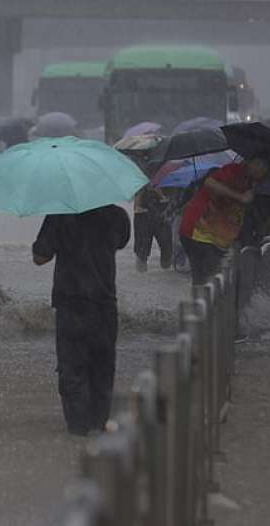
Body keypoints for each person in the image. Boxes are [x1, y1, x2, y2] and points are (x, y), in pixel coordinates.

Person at [32, 205, 131, 436]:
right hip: (105, 303)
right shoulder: (117, 215)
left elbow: (40, 257)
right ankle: (99, 425)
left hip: (71, 304)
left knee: (72, 368)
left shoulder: (60, 214)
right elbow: (121, 242)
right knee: (103, 368)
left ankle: (78, 430)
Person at [179, 158, 270, 285]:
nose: (263, 170)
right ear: (251, 163)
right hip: (199, 231)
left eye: (265, 168)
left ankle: (200, 300)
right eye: (261, 165)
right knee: (209, 275)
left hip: (217, 236)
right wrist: (240, 197)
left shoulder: (255, 184)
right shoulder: (234, 171)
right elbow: (210, 182)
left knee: (204, 278)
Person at [133, 185, 173, 272]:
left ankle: (166, 266)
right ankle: (141, 268)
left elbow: (170, 200)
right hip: (143, 214)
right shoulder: (139, 182)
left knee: (166, 243)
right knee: (142, 246)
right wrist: (139, 196)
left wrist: (161, 194)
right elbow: (136, 204)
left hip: (161, 214)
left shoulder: (166, 181)